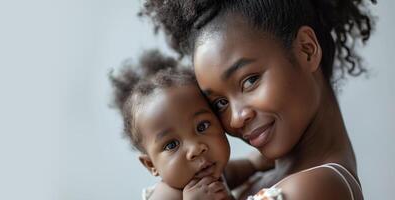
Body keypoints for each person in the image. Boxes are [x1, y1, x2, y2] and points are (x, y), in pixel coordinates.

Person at [141, 0, 376, 199]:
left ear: (307, 49)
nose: (236, 118)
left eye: (250, 80)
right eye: (220, 103)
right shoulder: (261, 176)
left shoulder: (314, 188)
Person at [109, 49, 233, 200]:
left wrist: (255, 163)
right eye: (171, 145)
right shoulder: (166, 195)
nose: (195, 149)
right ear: (151, 165)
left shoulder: (213, 171)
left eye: (202, 127)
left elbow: (235, 173)